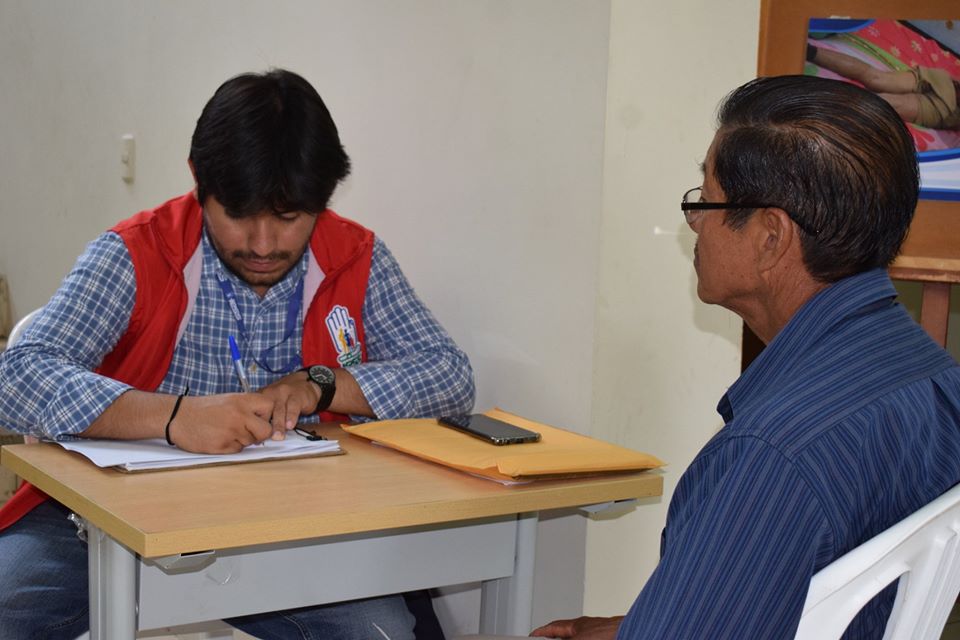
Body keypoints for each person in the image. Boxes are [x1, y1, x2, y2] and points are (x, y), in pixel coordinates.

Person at [0, 69, 474, 640]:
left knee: (380, 632)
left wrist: (321, 384)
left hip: (288, 529)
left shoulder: (354, 255)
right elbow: (17, 375)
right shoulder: (137, 251)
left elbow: (449, 375)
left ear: (323, 199)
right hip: (103, 522)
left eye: (289, 218)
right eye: (240, 215)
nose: (263, 245)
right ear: (198, 180)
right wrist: (174, 417)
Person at [533, 75, 960, 639]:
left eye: (706, 200)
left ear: (770, 238)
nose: (696, 224)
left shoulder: (771, 454)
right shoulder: (933, 375)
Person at [807, 42, 960, 130]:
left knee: (876, 80)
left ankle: (809, 51)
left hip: (949, 86)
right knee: (878, 99)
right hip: (949, 105)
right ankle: (812, 102)